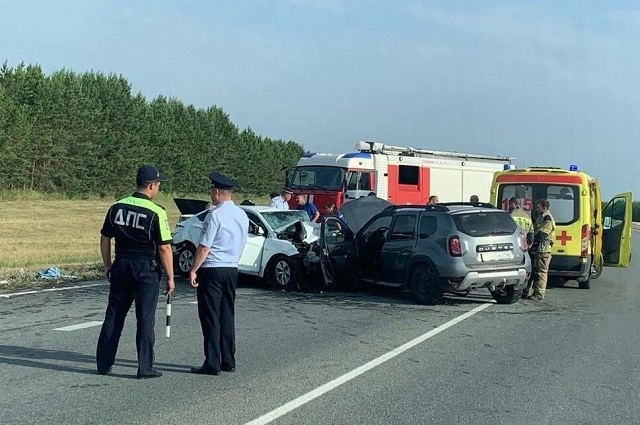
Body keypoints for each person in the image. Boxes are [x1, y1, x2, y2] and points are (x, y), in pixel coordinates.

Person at [96, 164, 175, 379]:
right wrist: (170, 277)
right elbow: (164, 247)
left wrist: (107, 265)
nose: (158, 188)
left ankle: (104, 363)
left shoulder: (116, 207)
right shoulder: (157, 211)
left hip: (121, 264)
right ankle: (145, 367)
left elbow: (105, 237)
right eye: (158, 185)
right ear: (151, 186)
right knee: (145, 318)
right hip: (145, 268)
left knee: (113, 315)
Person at [189, 172, 249, 375]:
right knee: (227, 314)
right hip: (231, 268)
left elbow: (204, 246)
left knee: (210, 316)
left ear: (216, 192)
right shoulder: (242, 214)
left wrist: (194, 269)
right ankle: (229, 359)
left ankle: (212, 361)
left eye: (210, 191)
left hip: (212, 268)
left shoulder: (214, 215)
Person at [528, 199, 555, 301]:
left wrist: (532, 240)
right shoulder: (541, 217)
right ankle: (532, 291)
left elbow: (542, 234)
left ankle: (539, 294)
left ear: (544, 208)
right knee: (535, 271)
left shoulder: (547, 219)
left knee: (541, 272)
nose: (537, 209)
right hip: (539, 249)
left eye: (539, 207)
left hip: (544, 250)